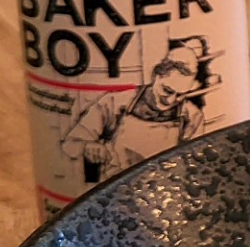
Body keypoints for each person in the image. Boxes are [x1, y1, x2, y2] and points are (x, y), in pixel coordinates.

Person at [61, 37, 219, 181]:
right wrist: (88, 147)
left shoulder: (191, 116)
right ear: (156, 76)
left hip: (168, 192)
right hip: (116, 192)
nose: (171, 100)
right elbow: (71, 142)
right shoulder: (115, 102)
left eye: (180, 95)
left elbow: (196, 165)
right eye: (167, 91)